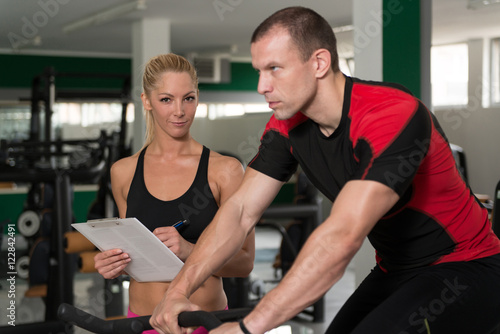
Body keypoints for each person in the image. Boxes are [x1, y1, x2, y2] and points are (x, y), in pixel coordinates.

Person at [150, 7, 500, 334]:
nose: (261, 86)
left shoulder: (391, 115)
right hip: (395, 268)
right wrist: (178, 290)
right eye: (259, 70)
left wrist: (249, 327)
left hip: (464, 267)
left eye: (274, 68)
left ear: (319, 62)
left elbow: (342, 236)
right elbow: (240, 212)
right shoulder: (285, 126)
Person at [93, 53, 255, 334]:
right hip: (143, 322)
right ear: (147, 101)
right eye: (166, 99)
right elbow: (132, 256)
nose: (179, 111)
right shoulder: (123, 172)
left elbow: (244, 262)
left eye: (188, 98)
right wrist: (115, 263)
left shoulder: (225, 171)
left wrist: (191, 251)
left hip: (204, 323)